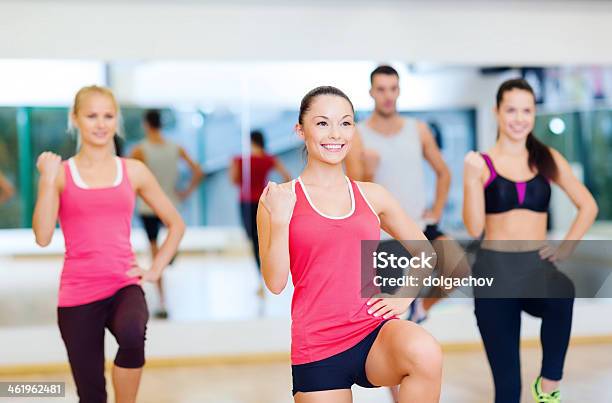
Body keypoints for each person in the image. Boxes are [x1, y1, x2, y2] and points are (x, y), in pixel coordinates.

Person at [257, 86, 442, 403]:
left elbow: (425, 251)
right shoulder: (277, 199)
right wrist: (280, 220)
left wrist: (404, 298)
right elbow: (275, 283)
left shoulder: (372, 196)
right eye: (322, 123)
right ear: (300, 130)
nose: (335, 134)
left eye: (345, 123)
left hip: (373, 333)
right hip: (317, 345)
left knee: (425, 352)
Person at [33, 86, 185, 403]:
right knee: (91, 396)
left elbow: (175, 224)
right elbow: (43, 236)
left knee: (132, 334)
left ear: (116, 121)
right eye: (91, 116)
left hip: (123, 284)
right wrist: (47, 181)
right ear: (75, 119)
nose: (101, 124)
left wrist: (155, 270)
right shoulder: (60, 174)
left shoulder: (133, 170)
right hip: (77, 296)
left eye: (108, 116)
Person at [463, 78, 598, 403]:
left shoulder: (545, 158)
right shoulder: (481, 164)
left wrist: (564, 249)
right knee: (508, 390)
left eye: (527, 110)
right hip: (495, 272)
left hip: (536, 269)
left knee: (562, 291)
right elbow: (473, 227)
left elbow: (588, 206)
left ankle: (549, 385)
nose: (519, 118)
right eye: (511, 110)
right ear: (497, 112)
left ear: (534, 113)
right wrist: (469, 179)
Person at [345, 65, 467, 324]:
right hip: (383, 234)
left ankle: (421, 308)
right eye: (381, 89)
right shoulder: (358, 135)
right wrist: (369, 171)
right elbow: (355, 193)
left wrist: (436, 211)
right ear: (371, 92)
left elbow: (443, 172)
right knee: (387, 315)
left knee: (458, 268)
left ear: (399, 90)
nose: (388, 95)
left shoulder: (418, 129)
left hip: (420, 225)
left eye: (393, 88)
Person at [131, 109, 203, 319]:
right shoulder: (176, 148)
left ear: (146, 124)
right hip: (171, 203)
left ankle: (163, 300)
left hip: (148, 207)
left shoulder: (140, 150)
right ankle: (169, 253)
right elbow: (197, 170)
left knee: (155, 252)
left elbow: (127, 178)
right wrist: (186, 191)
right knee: (172, 236)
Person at [229, 130, 291, 296]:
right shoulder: (268, 159)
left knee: (254, 241)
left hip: (246, 202)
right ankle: (265, 278)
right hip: (263, 201)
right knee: (261, 240)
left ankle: (262, 278)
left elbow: (233, 180)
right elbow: (287, 176)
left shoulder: (241, 159)